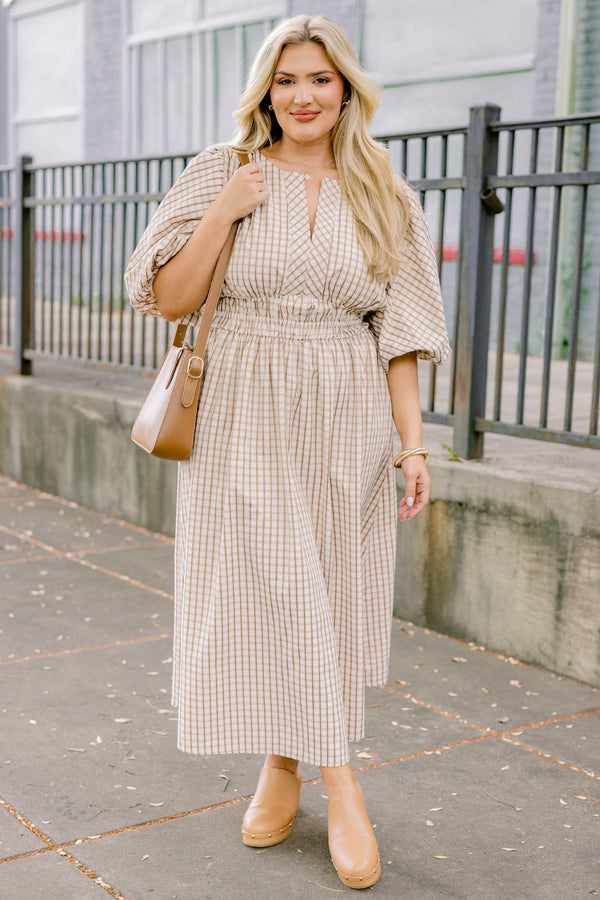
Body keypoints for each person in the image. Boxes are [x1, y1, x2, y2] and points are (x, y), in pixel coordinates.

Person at [125, 14, 449, 890]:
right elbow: (167, 296)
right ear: (265, 90)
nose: (302, 96)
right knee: (275, 574)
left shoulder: (386, 191)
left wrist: (413, 446)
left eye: (320, 79)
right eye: (285, 80)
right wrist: (224, 215)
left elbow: (404, 332)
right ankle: (341, 781)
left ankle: (280, 763)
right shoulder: (221, 171)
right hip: (243, 401)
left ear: (345, 89)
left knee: (327, 581)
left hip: (346, 408)